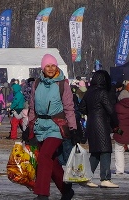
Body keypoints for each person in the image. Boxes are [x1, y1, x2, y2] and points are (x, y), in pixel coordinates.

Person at [25, 53, 78, 200]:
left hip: (56, 126)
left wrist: (73, 129)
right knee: (51, 161)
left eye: (53, 65)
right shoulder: (37, 84)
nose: (50, 68)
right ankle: (66, 190)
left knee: (45, 156)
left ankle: (42, 193)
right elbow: (32, 107)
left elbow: (69, 108)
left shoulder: (63, 84)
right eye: (47, 66)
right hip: (40, 125)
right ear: (43, 68)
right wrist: (29, 128)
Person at [83, 70, 118, 188]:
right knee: (105, 150)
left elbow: (82, 107)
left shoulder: (88, 92)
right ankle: (105, 178)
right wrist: (116, 123)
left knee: (95, 152)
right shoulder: (102, 93)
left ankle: (86, 177)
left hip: (91, 123)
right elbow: (111, 110)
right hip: (101, 123)